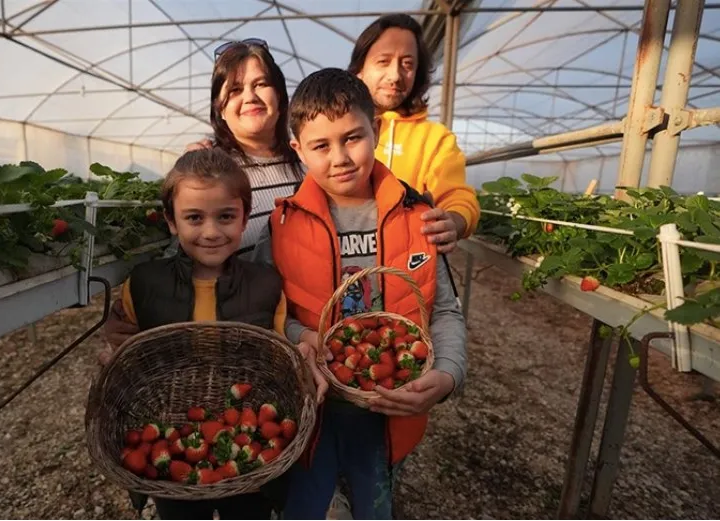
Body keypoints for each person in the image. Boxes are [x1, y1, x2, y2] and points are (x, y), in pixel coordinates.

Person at [252, 67, 467, 519]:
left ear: (378, 129)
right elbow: (272, 313)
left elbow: (444, 309)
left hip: (392, 407)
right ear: (298, 150)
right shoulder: (283, 227)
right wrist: (299, 338)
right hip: (314, 407)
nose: (340, 157)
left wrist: (446, 376)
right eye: (320, 145)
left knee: (377, 500)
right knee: (306, 504)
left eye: (353, 137)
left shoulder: (418, 218)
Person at [104, 148, 327, 520]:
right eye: (194, 217)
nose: (211, 232)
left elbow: (279, 350)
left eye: (225, 217)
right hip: (170, 437)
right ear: (171, 221)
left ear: (244, 219)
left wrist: (302, 351)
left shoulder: (266, 285)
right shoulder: (144, 285)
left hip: (248, 439)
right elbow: (124, 342)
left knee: (248, 513)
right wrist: (113, 357)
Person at [101, 37, 303, 358]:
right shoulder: (209, 170)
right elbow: (180, 260)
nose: (249, 96)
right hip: (237, 336)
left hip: (300, 328)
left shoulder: (308, 166)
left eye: (261, 84)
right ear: (219, 109)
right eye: (234, 90)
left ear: (280, 95)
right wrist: (134, 311)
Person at [349, 13, 480, 254]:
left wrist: (454, 221)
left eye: (407, 64)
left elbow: (457, 195)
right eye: (383, 61)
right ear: (359, 69)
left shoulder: (435, 139)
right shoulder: (338, 125)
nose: (396, 75)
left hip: (409, 268)